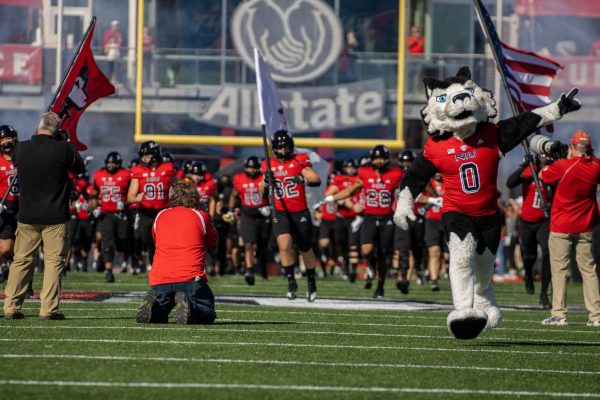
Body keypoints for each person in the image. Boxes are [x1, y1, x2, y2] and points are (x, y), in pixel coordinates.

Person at [3, 112, 85, 320]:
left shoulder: (22, 148)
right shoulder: (62, 149)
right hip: (56, 215)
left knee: (21, 261)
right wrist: (66, 141)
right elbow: (80, 167)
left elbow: (15, 157)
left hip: (27, 214)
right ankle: (48, 309)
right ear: (56, 130)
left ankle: (11, 306)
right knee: (53, 262)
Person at [324, 145, 403, 298]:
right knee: (366, 250)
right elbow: (351, 190)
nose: (379, 161)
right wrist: (332, 198)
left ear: (387, 159)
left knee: (383, 254)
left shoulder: (396, 174)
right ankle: (371, 267)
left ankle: (380, 287)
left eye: (381, 158)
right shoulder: (364, 173)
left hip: (387, 218)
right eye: (376, 158)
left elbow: (410, 189)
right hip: (370, 216)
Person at [539, 130, 600, 326]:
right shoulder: (596, 166)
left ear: (572, 147)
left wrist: (560, 159)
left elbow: (543, 175)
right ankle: (596, 315)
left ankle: (559, 314)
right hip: (586, 225)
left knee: (560, 270)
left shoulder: (563, 165)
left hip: (562, 225)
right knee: (589, 271)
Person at [136, 181, 218, 325]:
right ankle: (191, 307)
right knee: (207, 310)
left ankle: (154, 310)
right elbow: (213, 241)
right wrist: (205, 214)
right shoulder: (200, 216)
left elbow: (157, 240)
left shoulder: (160, 215)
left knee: (161, 313)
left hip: (161, 279)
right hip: (190, 277)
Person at [261, 130, 321, 301]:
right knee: (284, 245)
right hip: (280, 210)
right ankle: (291, 282)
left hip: (299, 210)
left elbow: (316, 179)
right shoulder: (267, 164)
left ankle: (311, 281)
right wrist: (266, 181)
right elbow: (260, 190)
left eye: (285, 147)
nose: (282, 151)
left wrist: (302, 180)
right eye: (279, 148)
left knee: (305, 248)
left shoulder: (299, 160)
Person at [506, 154, 551, 308]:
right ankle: (528, 275)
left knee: (547, 252)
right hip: (527, 221)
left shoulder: (552, 170)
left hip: (544, 220)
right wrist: (523, 166)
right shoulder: (530, 170)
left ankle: (544, 294)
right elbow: (510, 183)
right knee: (529, 256)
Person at [127, 141, 175, 267]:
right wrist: (137, 198)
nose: (143, 158)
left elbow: (179, 186)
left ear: (155, 155)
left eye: (146, 155)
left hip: (163, 212)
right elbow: (130, 197)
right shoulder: (138, 170)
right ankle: (152, 263)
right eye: (142, 155)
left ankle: (162, 266)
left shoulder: (167, 168)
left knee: (163, 241)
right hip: (145, 213)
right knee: (146, 240)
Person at [229, 155, 271, 284]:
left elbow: (270, 193)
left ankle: (263, 268)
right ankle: (249, 271)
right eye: (249, 167)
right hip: (247, 214)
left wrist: (269, 207)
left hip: (263, 214)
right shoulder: (239, 179)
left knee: (263, 246)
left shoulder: (264, 177)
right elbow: (234, 195)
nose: (252, 170)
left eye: (254, 168)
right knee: (249, 244)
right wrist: (231, 210)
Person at [92, 151, 132, 282]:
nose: (111, 165)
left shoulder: (126, 174)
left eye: (114, 163)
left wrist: (126, 203)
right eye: (109, 162)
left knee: (122, 241)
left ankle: (128, 262)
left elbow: (133, 192)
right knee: (107, 242)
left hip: (121, 214)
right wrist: (94, 207)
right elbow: (94, 194)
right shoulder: (99, 174)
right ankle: (108, 271)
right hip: (106, 214)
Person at [0, 125, 19, 261]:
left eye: (8, 138)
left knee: (20, 248)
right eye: (2, 139)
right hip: (5, 207)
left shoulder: (22, 157)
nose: (5, 142)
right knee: (6, 247)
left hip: (24, 206)